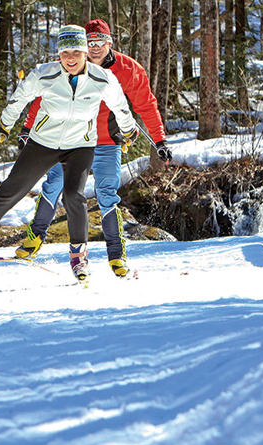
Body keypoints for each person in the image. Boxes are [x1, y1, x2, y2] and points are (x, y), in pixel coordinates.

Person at [0, 24, 139, 281]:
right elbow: (19, 98)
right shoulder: (44, 74)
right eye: (65, 52)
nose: (70, 58)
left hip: (80, 145)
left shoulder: (102, 79)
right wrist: (5, 123)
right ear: (59, 54)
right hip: (43, 143)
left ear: (85, 52)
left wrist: (128, 130)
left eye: (76, 52)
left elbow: (121, 107)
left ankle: (79, 256)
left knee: (73, 195)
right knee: (11, 189)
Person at [14, 19, 172, 278]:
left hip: (107, 142)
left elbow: (145, 104)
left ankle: (117, 255)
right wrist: (27, 129)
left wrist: (160, 140)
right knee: (53, 186)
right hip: (71, 141)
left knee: (107, 193)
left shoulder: (128, 69)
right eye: (90, 43)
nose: (95, 48)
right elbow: (44, 98)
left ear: (110, 43)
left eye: (101, 42)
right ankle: (35, 237)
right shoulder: (69, 66)